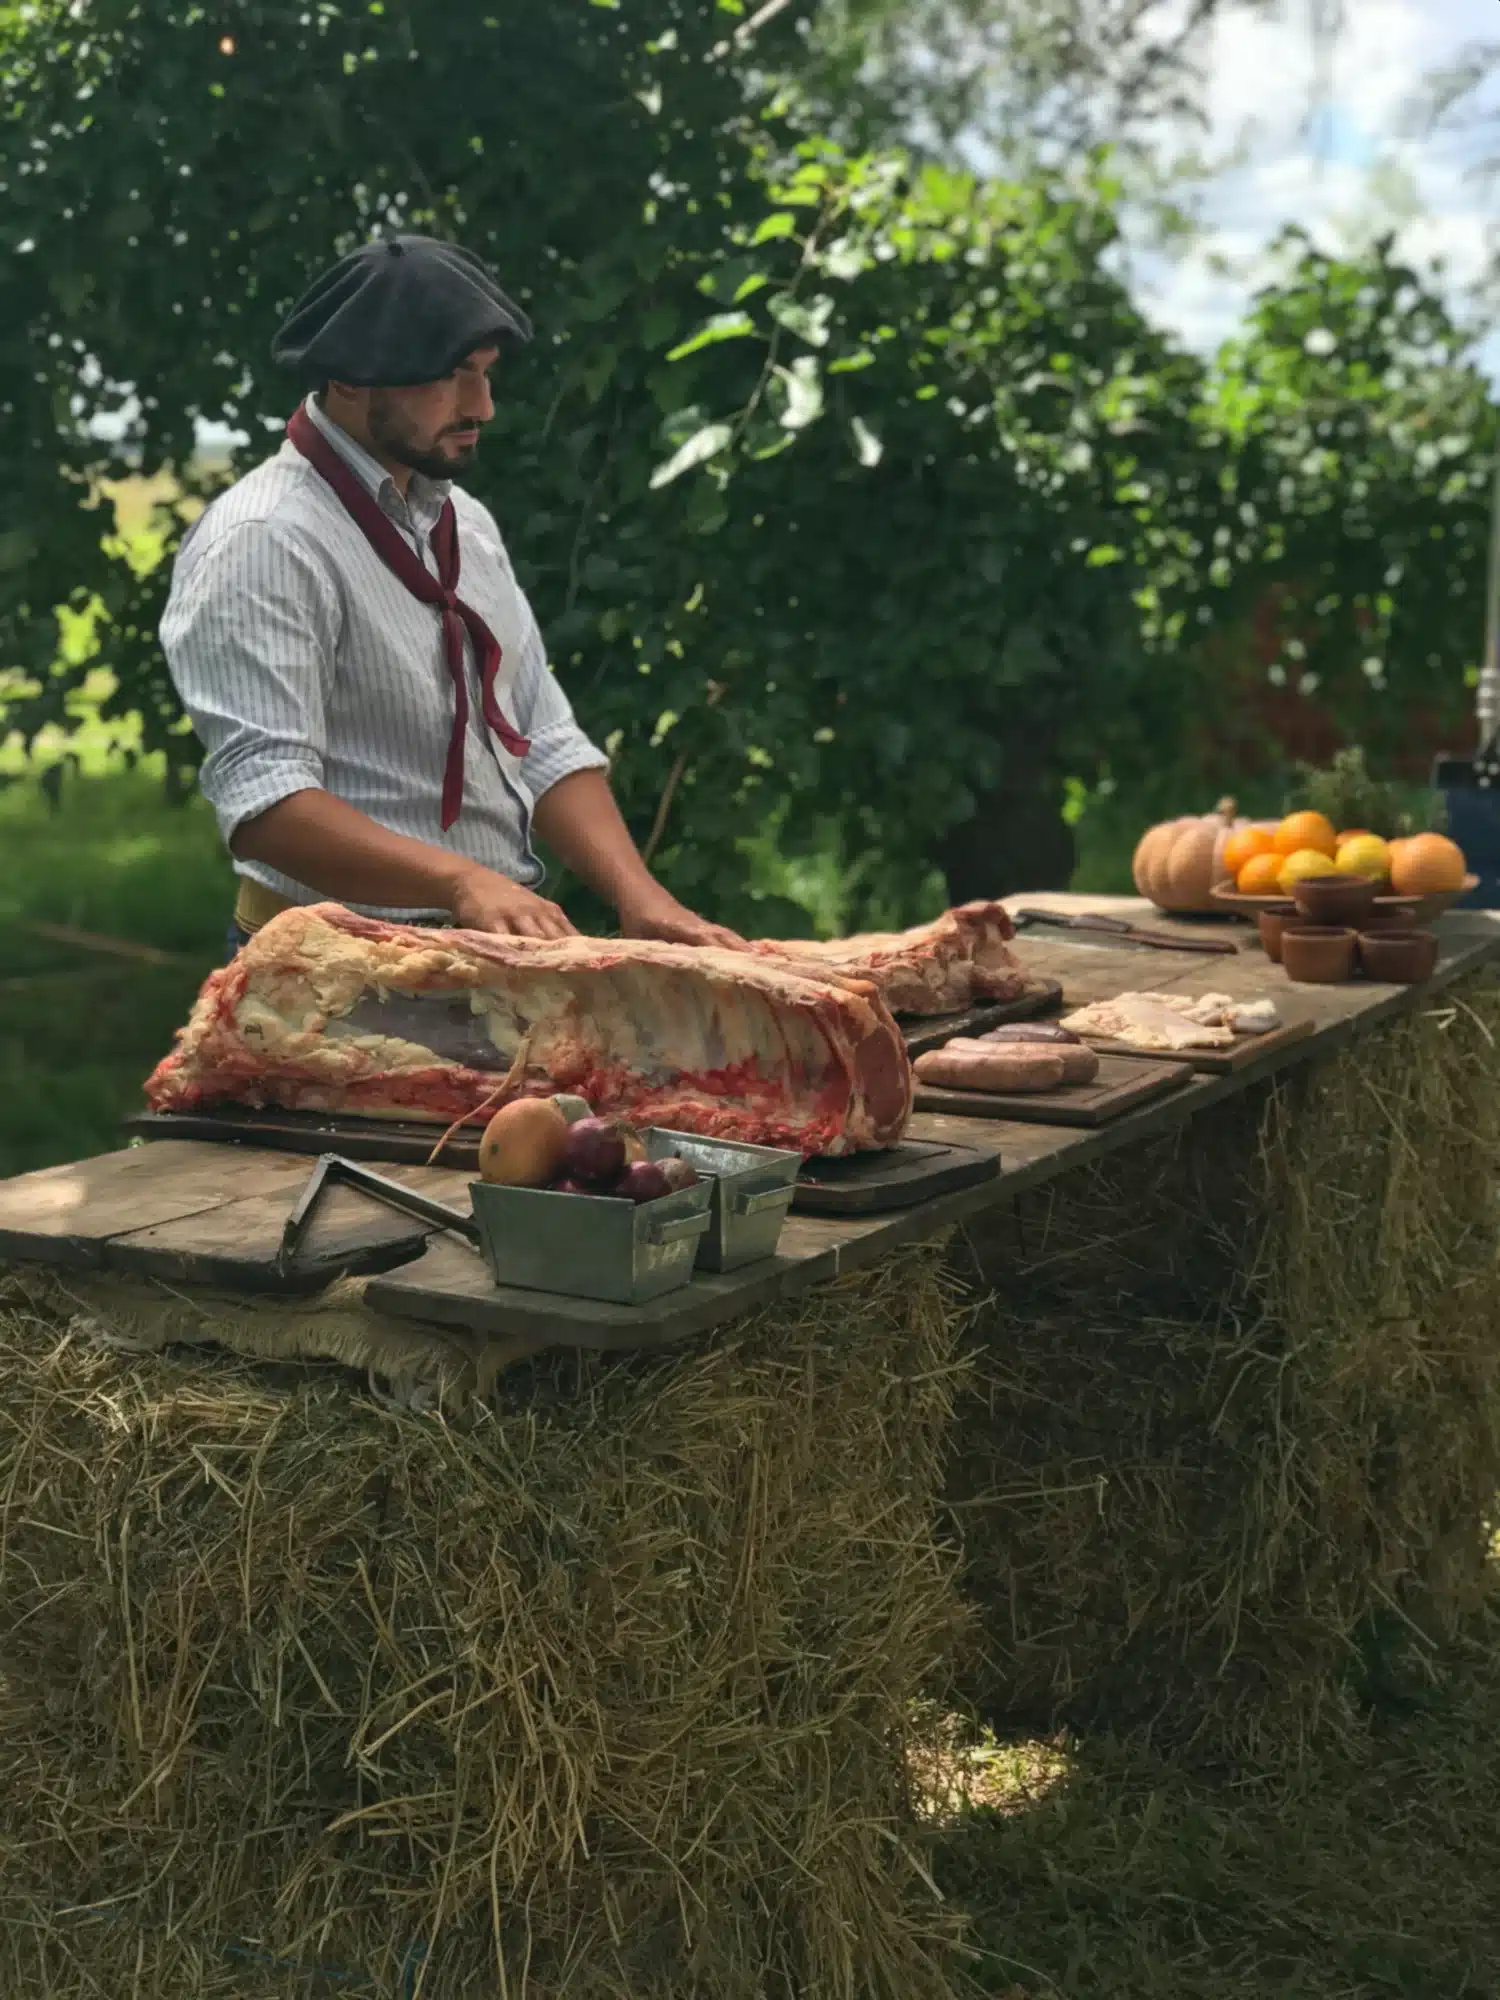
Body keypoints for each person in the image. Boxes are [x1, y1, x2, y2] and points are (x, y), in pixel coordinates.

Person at [159, 233, 744, 956]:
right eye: (451, 376)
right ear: (348, 378)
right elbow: (267, 805)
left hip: (488, 953)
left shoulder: (462, 522)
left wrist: (642, 901)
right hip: (334, 971)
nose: (483, 406)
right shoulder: (265, 539)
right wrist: (460, 882)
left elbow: (544, 741)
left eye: (487, 374)